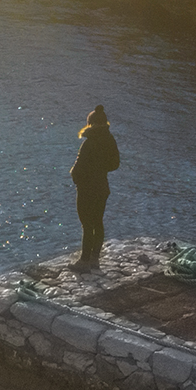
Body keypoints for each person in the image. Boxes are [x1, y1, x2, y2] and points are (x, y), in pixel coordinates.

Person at [68, 105, 120, 270]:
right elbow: (115, 164)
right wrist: (100, 169)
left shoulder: (89, 143)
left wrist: (77, 180)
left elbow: (78, 168)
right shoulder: (110, 140)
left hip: (86, 189)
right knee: (98, 222)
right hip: (102, 188)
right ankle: (94, 259)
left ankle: (84, 261)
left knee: (86, 224)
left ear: (92, 123)